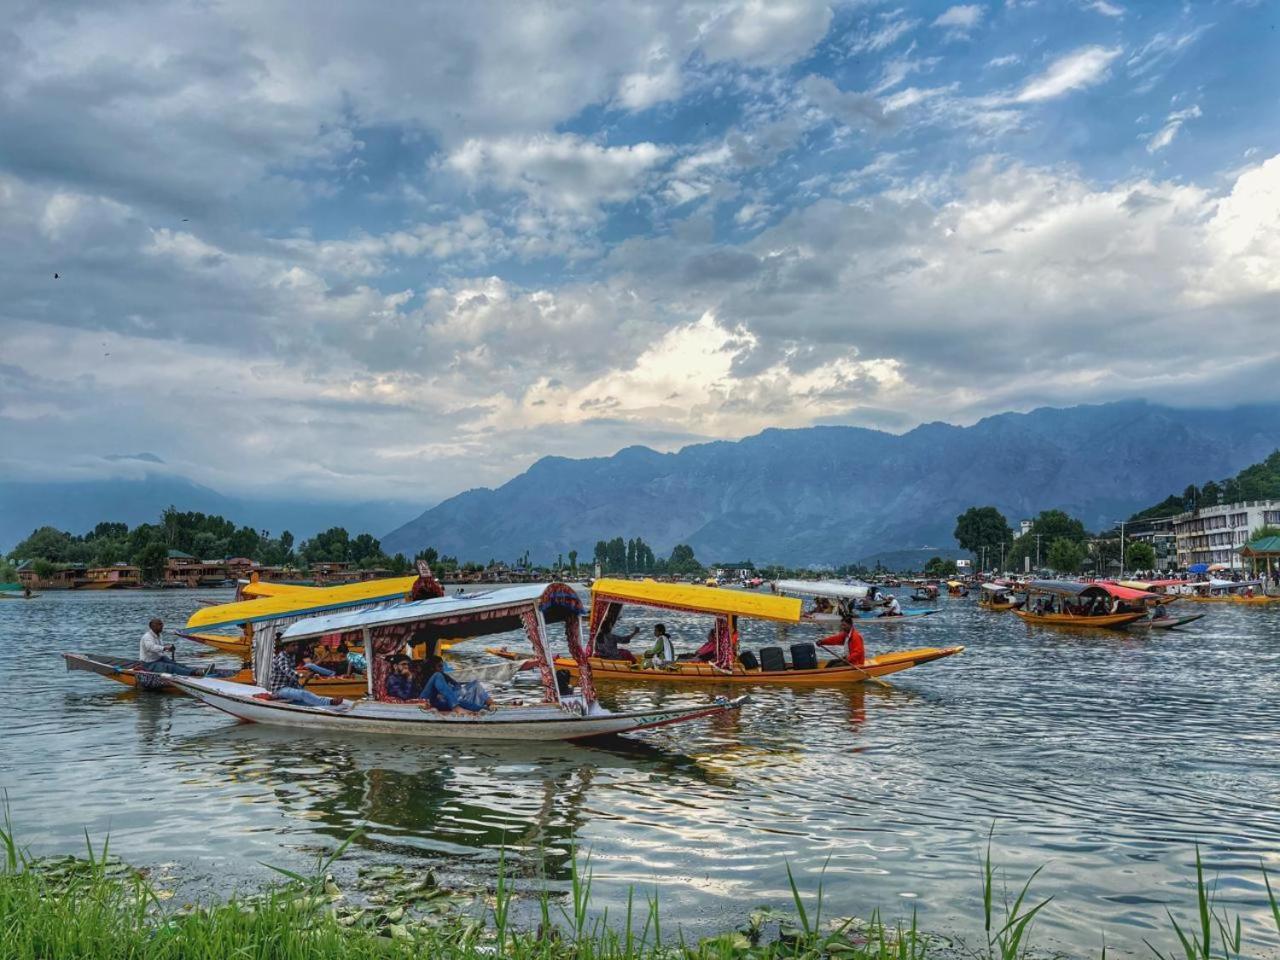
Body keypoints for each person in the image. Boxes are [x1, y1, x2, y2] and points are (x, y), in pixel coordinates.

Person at [267, 642, 348, 709]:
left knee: (306, 698)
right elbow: (287, 671)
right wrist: (303, 676)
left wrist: (301, 683)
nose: (296, 647)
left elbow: (292, 675)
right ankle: (329, 702)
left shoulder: (292, 656)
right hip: (280, 689)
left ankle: (325, 706)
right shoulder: (282, 657)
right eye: (293, 645)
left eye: (297, 645)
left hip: (290, 687)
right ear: (285, 647)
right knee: (303, 694)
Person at [420, 655, 491, 713]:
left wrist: (456, 691)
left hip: (447, 700)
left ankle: (488, 705)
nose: (442, 668)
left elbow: (457, 686)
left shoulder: (443, 675)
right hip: (429, 700)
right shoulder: (431, 676)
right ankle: (456, 707)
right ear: (432, 668)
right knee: (438, 675)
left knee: (475, 684)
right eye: (439, 666)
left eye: (442, 666)